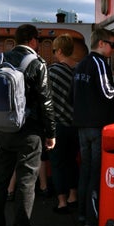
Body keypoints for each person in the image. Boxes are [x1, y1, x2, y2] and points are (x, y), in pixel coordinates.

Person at [0, 24, 56, 226]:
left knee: (0, 180)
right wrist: (51, 132)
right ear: (33, 41)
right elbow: (46, 101)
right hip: (29, 131)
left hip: (2, 129)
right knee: (26, 180)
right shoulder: (37, 64)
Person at [73, 27, 114, 226]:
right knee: (96, 172)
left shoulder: (81, 64)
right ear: (101, 44)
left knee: (86, 171)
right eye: (112, 45)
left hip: (82, 125)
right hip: (97, 126)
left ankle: (82, 214)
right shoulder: (99, 63)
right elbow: (107, 93)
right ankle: (92, 218)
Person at [49, 34, 82, 213]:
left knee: (58, 163)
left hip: (58, 125)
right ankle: (73, 195)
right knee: (72, 161)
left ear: (60, 51)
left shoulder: (53, 71)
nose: (54, 54)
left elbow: (46, 98)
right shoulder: (78, 70)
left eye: (54, 51)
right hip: (76, 124)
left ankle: (62, 201)